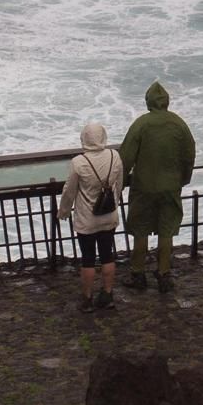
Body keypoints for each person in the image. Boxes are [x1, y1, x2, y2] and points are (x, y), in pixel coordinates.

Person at [121, 81, 195, 294]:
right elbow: (189, 155)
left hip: (143, 186)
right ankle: (164, 274)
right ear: (167, 102)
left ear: (148, 102)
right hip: (171, 186)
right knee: (166, 231)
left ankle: (138, 274)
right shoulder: (179, 124)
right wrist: (183, 178)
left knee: (140, 230)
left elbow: (126, 158)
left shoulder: (141, 124)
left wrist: (120, 181)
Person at [56, 122, 124, 313]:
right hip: (109, 215)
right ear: (103, 137)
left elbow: (69, 190)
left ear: (84, 138)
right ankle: (108, 294)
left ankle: (87, 299)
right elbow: (119, 183)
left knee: (88, 258)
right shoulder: (114, 156)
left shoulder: (79, 162)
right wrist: (115, 203)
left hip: (87, 219)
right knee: (107, 255)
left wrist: (64, 210)